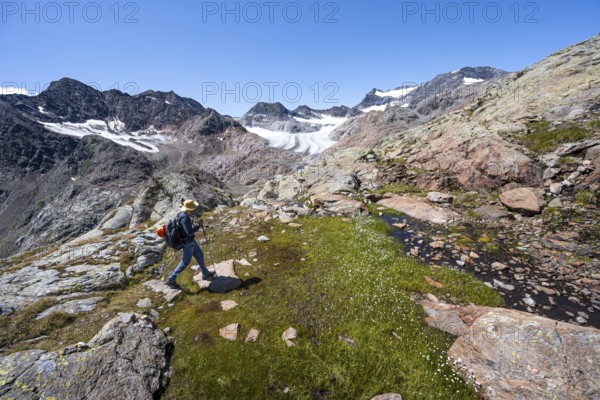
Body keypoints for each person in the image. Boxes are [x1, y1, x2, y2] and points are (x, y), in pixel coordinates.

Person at [166, 199, 215, 290]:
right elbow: (189, 232)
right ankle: (171, 279)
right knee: (185, 261)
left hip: (190, 242)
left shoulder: (181, 214)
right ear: (190, 209)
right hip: (188, 243)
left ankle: (205, 273)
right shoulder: (184, 218)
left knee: (199, 254)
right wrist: (198, 225)